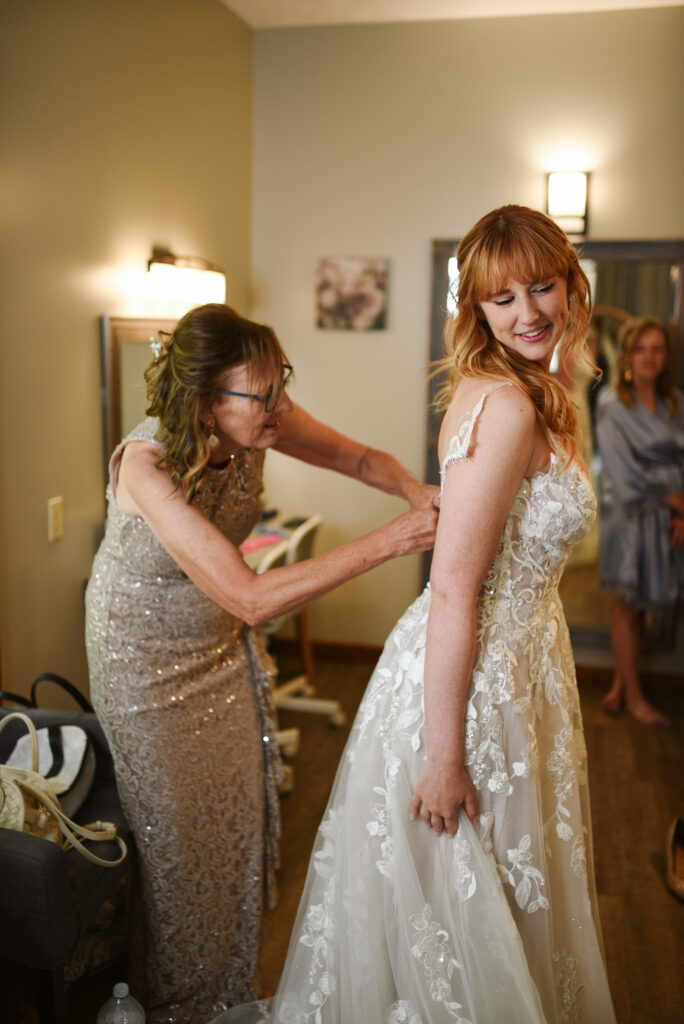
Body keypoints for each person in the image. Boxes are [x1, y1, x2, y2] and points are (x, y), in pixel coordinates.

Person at [220, 205, 616, 1024]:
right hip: (473, 686)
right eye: (503, 300)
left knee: (498, 895)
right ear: (476, 310)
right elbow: (453, 589)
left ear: (570, 287)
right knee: (460, 914)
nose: (528, 314)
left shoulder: (537, 388)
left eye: (542, 289)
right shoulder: (505, 404)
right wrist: (443, 758)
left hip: (520, 666)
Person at [85, 303, 438, 1024]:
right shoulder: (147, 467)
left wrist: (420, 492)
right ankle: (177, 1005)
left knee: (236, 832)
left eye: (284, 383)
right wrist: (397, 540)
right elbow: (249, 597)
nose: (280, 404)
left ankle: (223, 997)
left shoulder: (260, 420)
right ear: (205, 402)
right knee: (179, 850)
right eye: (263, 392)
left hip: (215, 652)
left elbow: (358, 458)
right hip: (144, 669)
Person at [596, 316, 684, 727]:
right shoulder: (613, 404)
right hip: (630, 513)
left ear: (666, 356)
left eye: (657, 348)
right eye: (640, 349)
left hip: (669, 513)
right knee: (626, 606)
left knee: (644, 601)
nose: (649, 357)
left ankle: (619, 685)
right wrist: (674, 500)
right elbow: (620, 470)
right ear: (627, 356)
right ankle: (634, 697)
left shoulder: (676, 403)